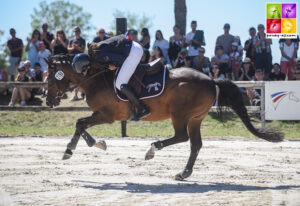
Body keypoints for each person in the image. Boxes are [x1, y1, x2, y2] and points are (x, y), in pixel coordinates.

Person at [73, 34, 150, 119]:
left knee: (120, 83)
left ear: (87, 66)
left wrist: (114, 66)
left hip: (134, 51)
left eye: (86, 70)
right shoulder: (95, 54)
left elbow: (121, 59)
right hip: (131, 48)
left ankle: (141, 108)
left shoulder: (99, 56)